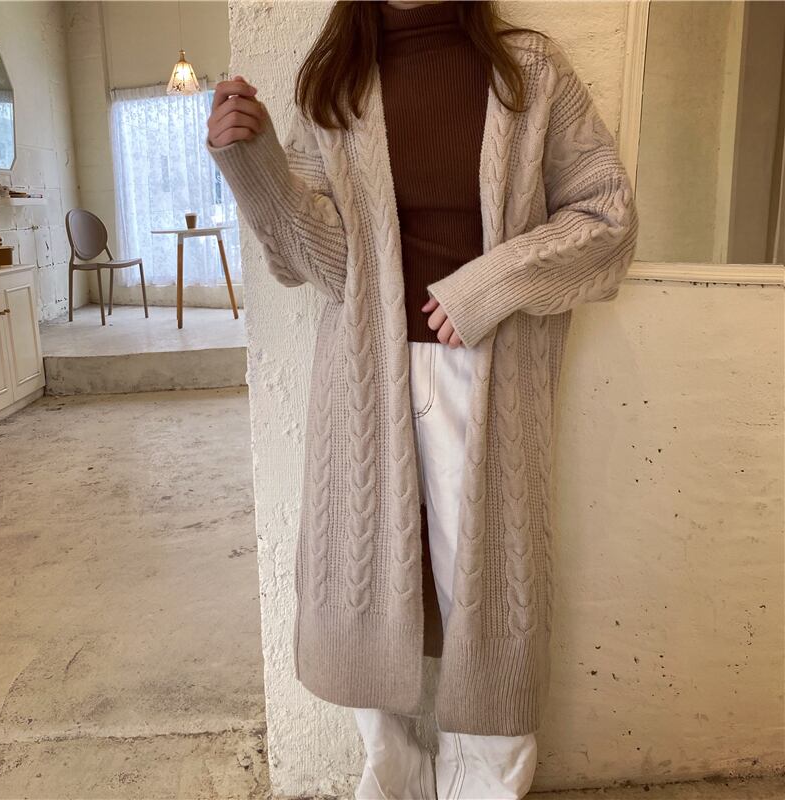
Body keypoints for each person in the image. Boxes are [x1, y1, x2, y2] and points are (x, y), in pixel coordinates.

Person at [206, 1, 639, 798]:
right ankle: (395, 777)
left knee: (489, 594)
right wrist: (256, 170)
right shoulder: (332, 82)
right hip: (364, 381)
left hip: (487, 374)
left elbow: (607, 217)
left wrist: (487, 285)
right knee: (363, 587)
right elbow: (321, 265)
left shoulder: (531, 70)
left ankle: (487, 786)